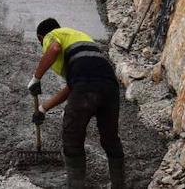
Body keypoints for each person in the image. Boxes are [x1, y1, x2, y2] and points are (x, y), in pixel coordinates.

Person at [29, 18, 125, 189]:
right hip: (110, 87)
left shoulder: (51, 36)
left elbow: (54, 49)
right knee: (110, 139)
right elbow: (73, 87)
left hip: (87, 85)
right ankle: (119, 185)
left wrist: (36, 78)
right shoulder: (79, 38)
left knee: (72, 137)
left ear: (40, 37)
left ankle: (76, 185)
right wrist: (43, 108)